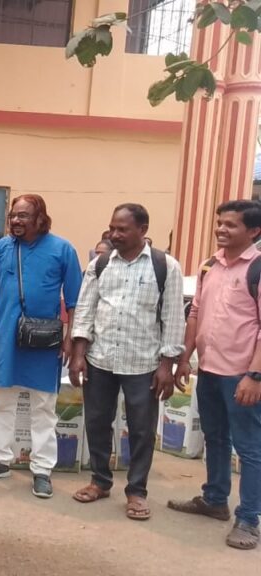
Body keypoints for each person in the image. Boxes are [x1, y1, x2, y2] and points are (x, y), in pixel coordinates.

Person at [70, 204, 185, 521]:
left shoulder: (165, 266)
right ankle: (100, 481)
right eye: (112, 228)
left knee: (141, 430)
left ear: (143, 230)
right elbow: (85, 311)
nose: (115, 235)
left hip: (143, 363)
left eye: (122, 229)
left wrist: (167, 366)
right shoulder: (101, 264)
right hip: (100, 359)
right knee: (96, 422)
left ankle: (137, 491)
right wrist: (78, 355)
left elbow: (173, 318)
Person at [0, 194, 82, 499]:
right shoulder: (3, 248)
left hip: (44, 342)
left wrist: (70, 338)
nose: (16, 221)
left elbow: (74, 301)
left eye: (23, 216)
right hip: (6, 338)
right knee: (2, 403)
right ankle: (0, 460)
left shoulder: (63, 250)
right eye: (13, 216)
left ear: (40, 219)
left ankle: (42, 470)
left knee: (43, 408)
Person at [169, 200, 261, 550]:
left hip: (242, 377)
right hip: (208, 370)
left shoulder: (257, 269)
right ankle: (214, 499)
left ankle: (249, 519)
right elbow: (195, 313)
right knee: (215, 438)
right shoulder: (209, 266)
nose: (221, 229)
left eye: (231, 225)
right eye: (219, 222)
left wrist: (255, 376)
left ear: (254, 231)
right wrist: (185, 358)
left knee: (250, 449)